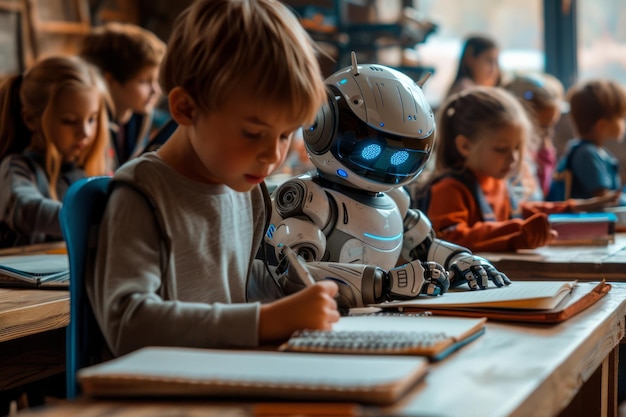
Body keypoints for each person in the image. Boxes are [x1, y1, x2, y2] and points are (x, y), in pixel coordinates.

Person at [88, 0, 340, 358]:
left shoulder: (245, 188)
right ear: (186, 109)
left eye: (286, 135)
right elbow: (128, 324)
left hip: (225, 378)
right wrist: (263, 321)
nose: (273, 154)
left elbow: (237, 287)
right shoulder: (142, 194)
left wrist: (329, 286)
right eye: (253, 133)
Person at [264, 57, 512, 311]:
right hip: (316, 323)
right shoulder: (311, 199)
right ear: (322, 125)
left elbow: (423, 247)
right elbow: (291, 274)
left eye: (402, 156)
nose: (388, 164)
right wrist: (384, 284)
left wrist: (461, 260)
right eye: (371, 150)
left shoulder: (395, 198)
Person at [422, 86, 618, 253]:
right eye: (501, 149)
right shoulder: (449, 188)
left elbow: (520, 211)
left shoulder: (496, 181)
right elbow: (451, 239)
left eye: (517, 148)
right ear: (464, 146)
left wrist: (575, 207)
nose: (514, 158)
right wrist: (518, 234)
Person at [0, 56, 110, 248]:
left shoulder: (82, 173)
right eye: (69, 121)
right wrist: (92, 220)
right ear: (31, 120)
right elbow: (27, 209)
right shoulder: (15, 167)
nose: (85, 132)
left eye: (91, 119)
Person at [80, 22, 166, 169]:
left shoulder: (140, 116)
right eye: (144, 81)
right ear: (109, 81)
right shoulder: (86, 129)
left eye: (156, 80)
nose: (156, 91)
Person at [548, 79, 626, 204]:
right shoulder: (587, 154)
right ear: (603, 125)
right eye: (621, 117)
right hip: (588, 222)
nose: (623, 122)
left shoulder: (593, 151)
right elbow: (605, 199)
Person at [504, 73, 565, 200]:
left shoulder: (536, 153)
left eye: (551, 126)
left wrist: (545, 153)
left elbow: (541, 193)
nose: (547, 133)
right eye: (543, 127)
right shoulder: (511, 160)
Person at [445, 34, 501, 99]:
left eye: (496, 62)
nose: (493, 69)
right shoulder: (466, 91)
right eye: (488, 61)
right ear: (469, 58)